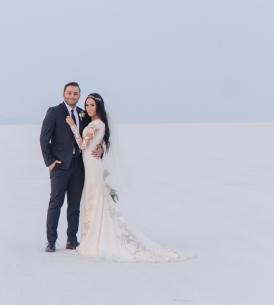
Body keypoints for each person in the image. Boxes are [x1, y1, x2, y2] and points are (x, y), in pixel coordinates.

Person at [67, 93, 194, 262]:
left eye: (92, 105)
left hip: (94, 167)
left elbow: (83, 145)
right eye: (87, 105)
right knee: (94, 199)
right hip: (90, 166)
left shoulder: (97, 124)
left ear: (98, 107)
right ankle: (94, 235)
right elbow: (93, 144)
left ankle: (98, 238)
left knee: (96, 198)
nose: (89, 108)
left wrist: (73, 126)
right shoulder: (94, 123)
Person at [39, 82, 103, 252]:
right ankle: (51, 241)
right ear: (63, 94)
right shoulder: (54, 112)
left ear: (79, 96)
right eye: (69, 93)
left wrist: (101, 147)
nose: (72, 96)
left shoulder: (83, 114)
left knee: (74, 206)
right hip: (59, 166)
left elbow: (94, 133)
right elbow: (44, 139)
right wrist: (50, 161)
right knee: (55, 204)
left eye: (75, 94)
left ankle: (72, 240)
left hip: (79, 165)